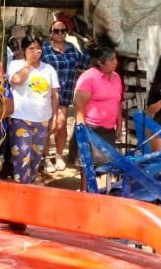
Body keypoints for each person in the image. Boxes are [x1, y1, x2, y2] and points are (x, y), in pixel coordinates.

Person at [8, 35, 59, 184]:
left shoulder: (48, 69)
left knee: (35, 160)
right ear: (24, 50)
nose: (36, 51)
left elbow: (54, 95)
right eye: (31, 48)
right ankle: (21, 191)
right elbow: (17, 80)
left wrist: (55, 117)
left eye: (38, 48)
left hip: (42, 120)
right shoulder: (15, 65)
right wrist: (28, 64)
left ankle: (29, 188)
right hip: (20, 119)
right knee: (21, 157)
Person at [41, 18, 90, 172]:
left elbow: (82, 64)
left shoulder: (71, 48)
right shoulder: (44, 49)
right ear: (50, 34)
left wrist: (88, 49)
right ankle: (46, 158)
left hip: (66, 92)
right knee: (48, 126)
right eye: (56, 31)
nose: (60, 33)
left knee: (61, 125)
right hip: (46, 94)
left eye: (63, 30)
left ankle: (59, 155)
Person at [70, 48, 124, 169]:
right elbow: (79, 106)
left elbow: (117, 102)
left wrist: (119, 124)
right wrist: (82, 131)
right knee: (88, 168)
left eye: (115, 59)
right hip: (90, 128)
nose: (115, 62)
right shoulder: (88, 77)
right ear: (100, 62)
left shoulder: (116, 77)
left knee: (107, 167)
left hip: (109, 130)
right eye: (111, 60)